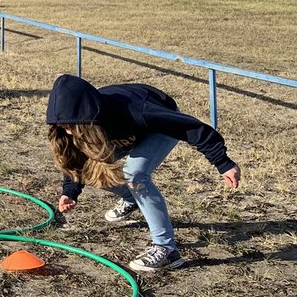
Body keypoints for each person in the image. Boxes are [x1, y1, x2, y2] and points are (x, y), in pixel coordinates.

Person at [45, 74, 241, 273]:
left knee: (135, 174)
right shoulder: (72, 124)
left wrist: (223, 163)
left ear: (85, 116)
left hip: (158, 126)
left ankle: (166, 250)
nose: (68, 132)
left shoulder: (138, 111)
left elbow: (192, 128)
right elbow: (75, 160)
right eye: (64, 127)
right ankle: (132, 199)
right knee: (94, 170)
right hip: (119, 131)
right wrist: (70, 191)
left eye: (71, 127)